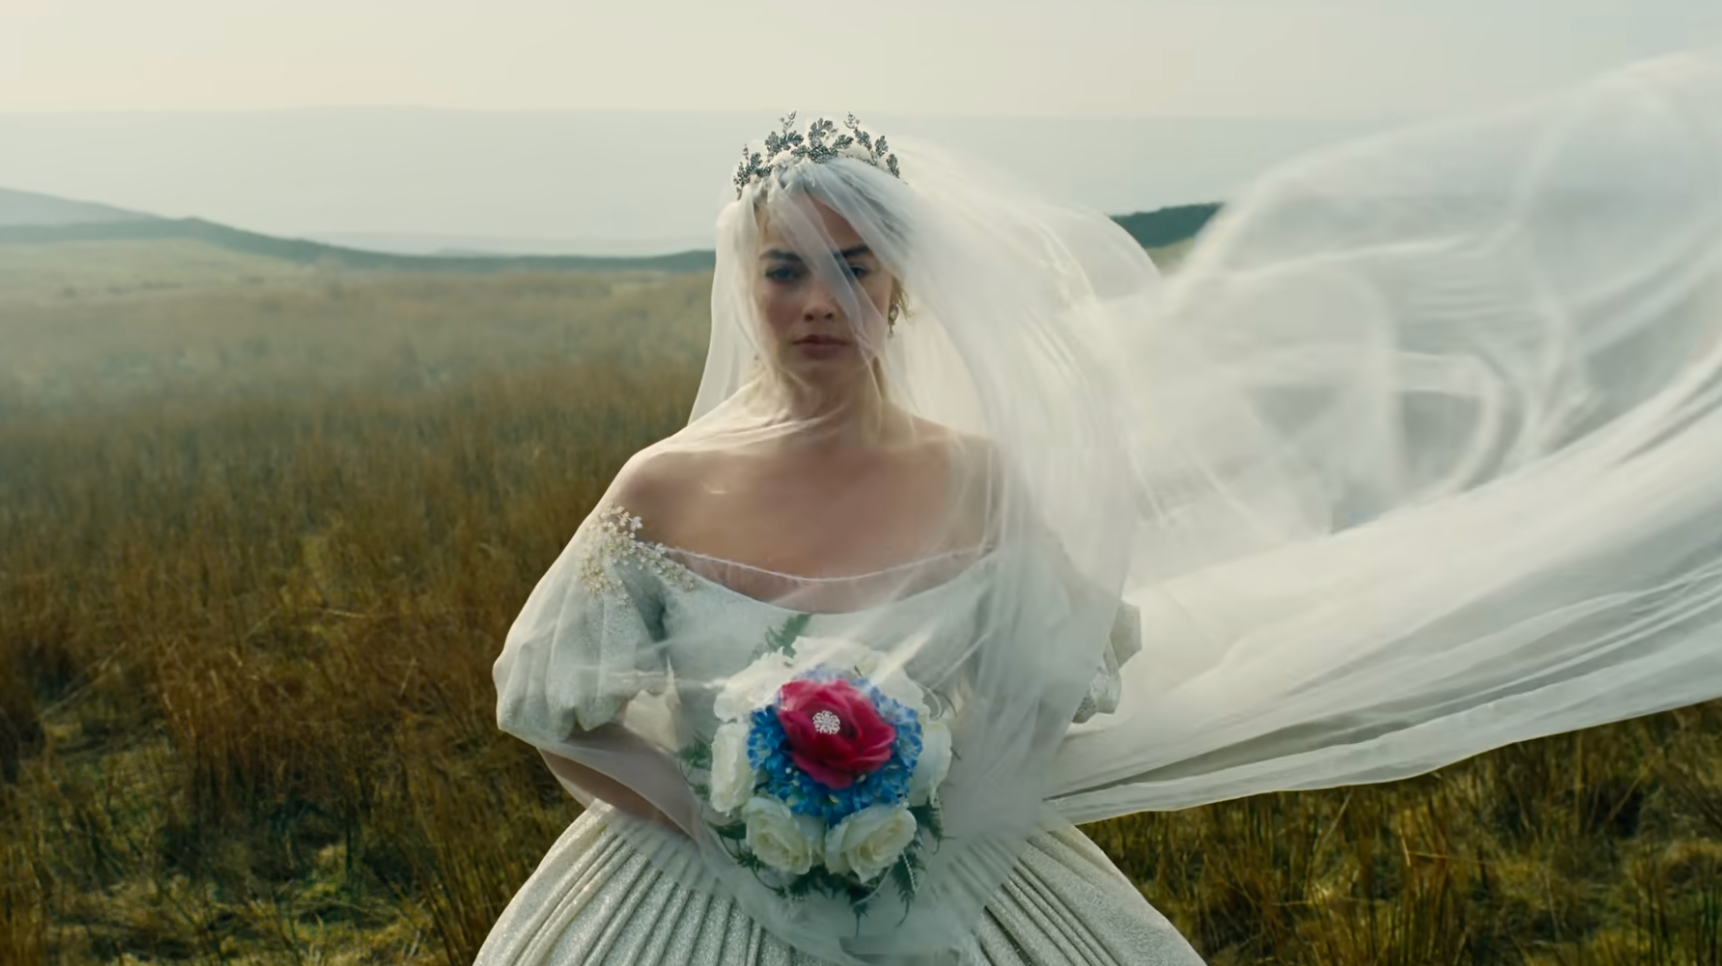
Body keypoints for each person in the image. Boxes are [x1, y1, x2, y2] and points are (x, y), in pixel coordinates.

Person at [484, 47, 1722, 965]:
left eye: (855, 265)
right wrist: (722, 827)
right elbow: (556, 710)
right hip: (694, 901)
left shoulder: (980, 478)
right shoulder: (663, 485)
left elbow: (1042, 689)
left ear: (904, 283)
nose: (821, 301)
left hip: (951, 886)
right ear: (744, 284)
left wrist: (929, 821)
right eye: (787, 269)